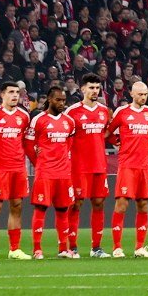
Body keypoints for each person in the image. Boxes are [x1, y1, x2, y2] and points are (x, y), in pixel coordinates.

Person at [26, 84, 78, 259]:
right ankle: (37, 249)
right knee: (41, 209)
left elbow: (68, 145)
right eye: (58, 100)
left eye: (64, 100)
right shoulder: (38, 120)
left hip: (63, 173)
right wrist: (39, 161)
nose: (62, 103)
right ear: (49, 100)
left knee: (63, 210)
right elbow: (28, 144)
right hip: (45, 173)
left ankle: (63, 248)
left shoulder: (69, 122)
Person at [64, 74, 113, 258]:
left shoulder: (104, 111)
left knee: (99, 203)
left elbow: (108, 133)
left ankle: (96, 248)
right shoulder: (72, 112)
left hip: (99, 165)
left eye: (97, 88)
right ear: (82, 89)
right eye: (91, 88)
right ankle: (73, 247)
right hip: (78, 166)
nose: (94, 91)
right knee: (76, 204)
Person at [107, 81, 148, 257]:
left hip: (145, 166)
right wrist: (117, 142)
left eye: (145, 94)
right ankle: (117, 247)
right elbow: (108, 133)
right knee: (122, 204)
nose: (143, 97)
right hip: (127, 165)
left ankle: (140, 247)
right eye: (140, 94)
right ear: (132, 94)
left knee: (143, 205)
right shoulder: (122, 112)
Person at [0, 83, 32, 259]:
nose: (14, 96)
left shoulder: (24, 116)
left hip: (18, 167)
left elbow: (26, 142)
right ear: (2, 94)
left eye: (17, 93)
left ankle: (15, 249)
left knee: (17, 206)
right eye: (11, 92)